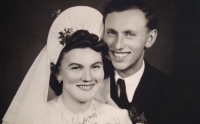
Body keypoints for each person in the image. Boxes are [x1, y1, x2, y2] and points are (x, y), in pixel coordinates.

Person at [2, 6, 131, 124]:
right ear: (58, 72)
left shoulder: (118, 118)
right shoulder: (33, 119)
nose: (87, 77)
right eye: (76, 67)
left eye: (95, 66)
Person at [97, 0, 179, 123]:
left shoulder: (174, 94)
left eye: (129, 34)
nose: (118, 45)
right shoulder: (92, 82)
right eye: (111, 33)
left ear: (150, 39)